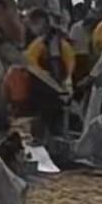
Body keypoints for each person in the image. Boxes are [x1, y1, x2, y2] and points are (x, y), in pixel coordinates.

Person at [23, 10, 74, 143]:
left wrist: (59, 87)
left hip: (48, 89)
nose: (33, 27)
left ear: (44, 22)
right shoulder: (45, 39)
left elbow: (56, 63)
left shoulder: (51, 40)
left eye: (35, 23)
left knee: (49, 125)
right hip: (46, 86)